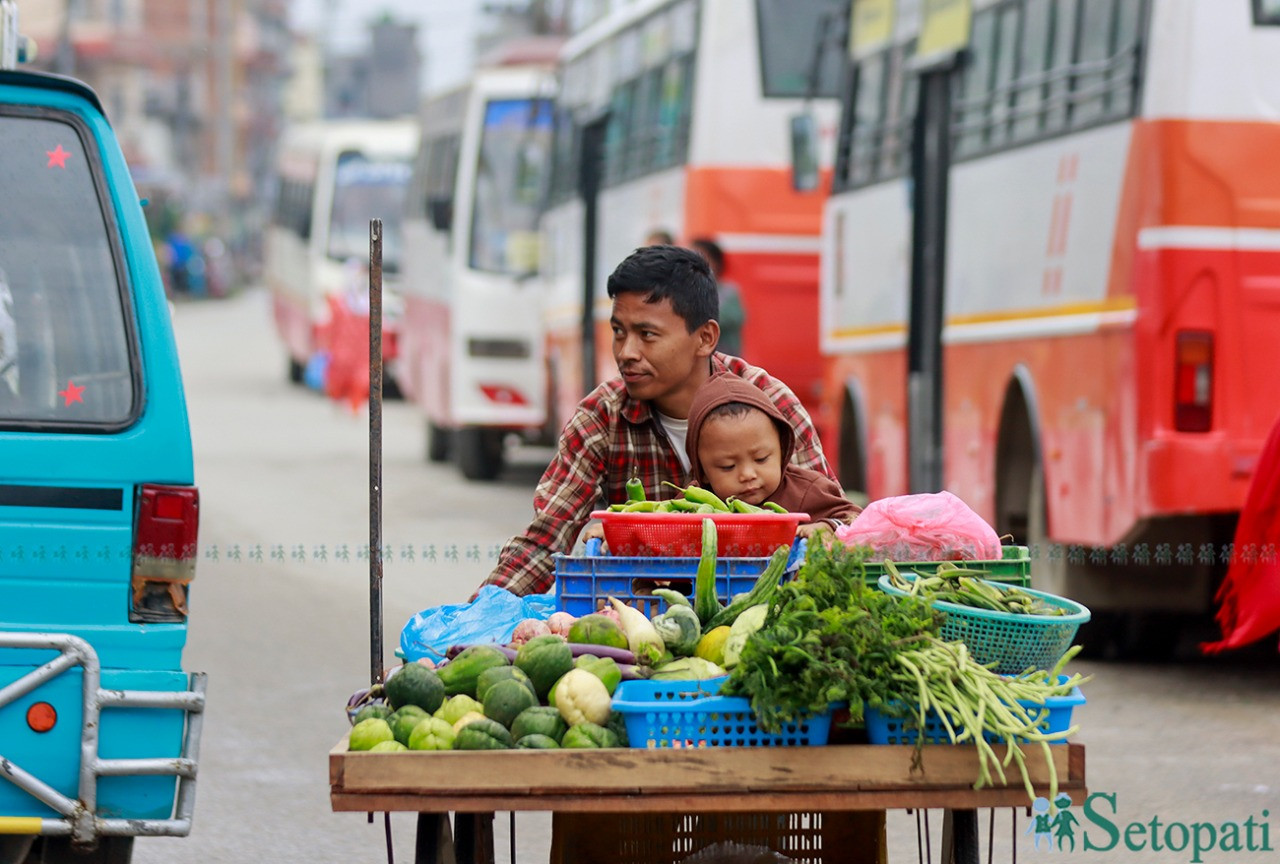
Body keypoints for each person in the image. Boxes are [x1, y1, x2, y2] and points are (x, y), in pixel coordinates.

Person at [478, 244, 836, 597]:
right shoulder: (603, 417)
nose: (626, 352)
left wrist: (827, 530)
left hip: (759, 603)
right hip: (644, 618)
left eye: (647, 335)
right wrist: (476, 620)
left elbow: (834, 519)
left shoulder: (769, 404)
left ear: (705, 338)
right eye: (619, 332)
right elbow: (544, 542)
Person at [686, 373, 859, 538]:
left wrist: (827, 527)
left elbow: (857, 519)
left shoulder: (806, 489)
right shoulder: (693, 503)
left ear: (782, 451)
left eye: (761, 459)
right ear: (703, 471)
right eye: (728, 466)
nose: (747, 474)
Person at [690, 237, 744, 357]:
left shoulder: (729, 291)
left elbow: (732, 318)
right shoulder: (688, 290)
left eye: (701, 257)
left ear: (716, 262)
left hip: (725, 357)